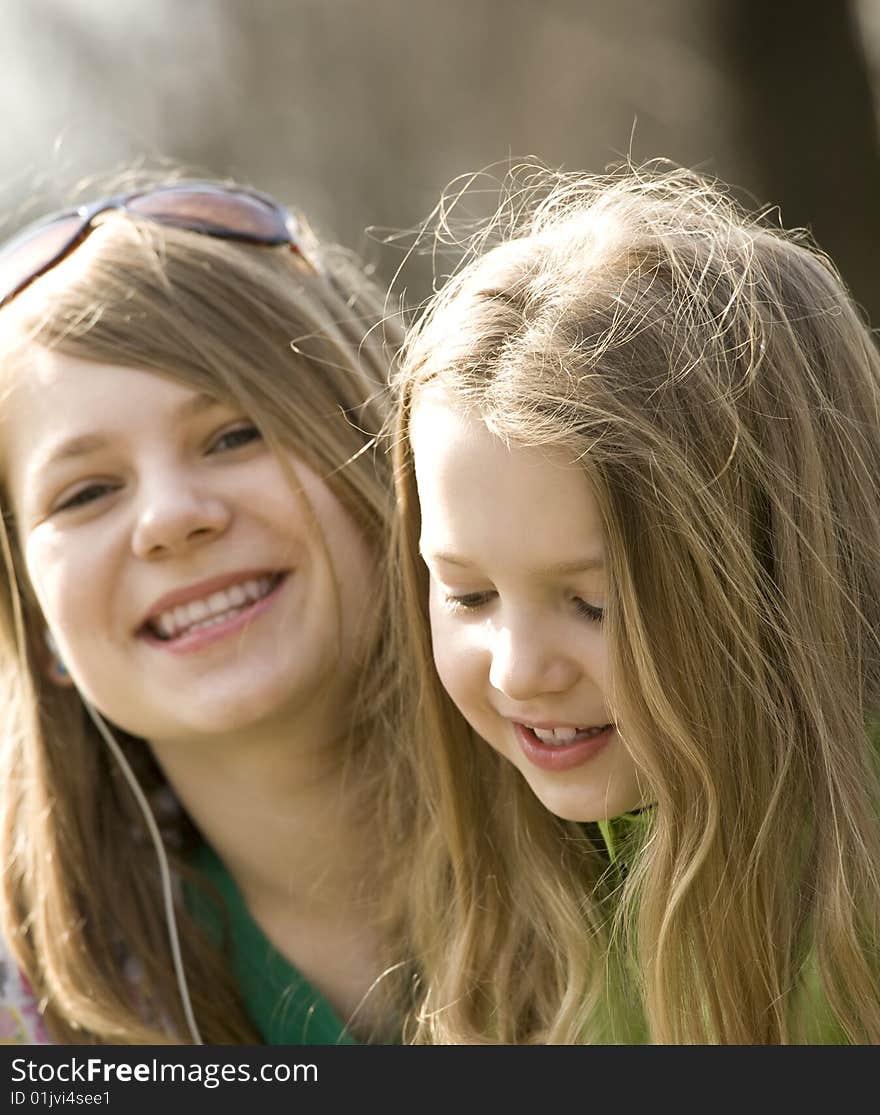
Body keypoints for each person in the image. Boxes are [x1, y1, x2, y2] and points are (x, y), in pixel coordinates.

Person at [392, 165, 880, 1044]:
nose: (518, 669)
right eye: (469, 594)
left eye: (593, 605)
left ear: (777, 570)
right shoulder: (520, 902)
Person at [0, 177, 414, 1044]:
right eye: (85, 493)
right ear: (37, 623)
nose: (170, 518)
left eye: (234, 435)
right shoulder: (33, 1022)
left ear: (383, 456)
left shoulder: (674, 834)